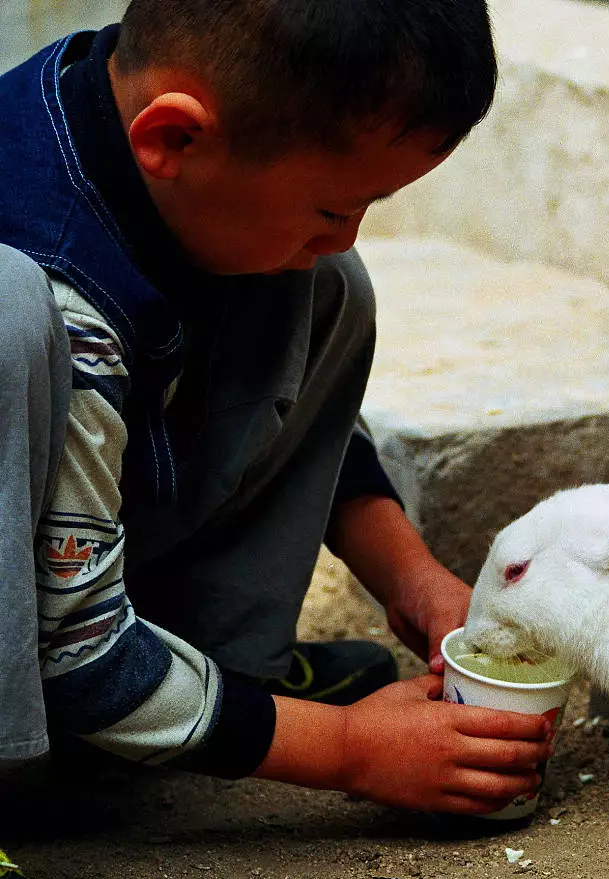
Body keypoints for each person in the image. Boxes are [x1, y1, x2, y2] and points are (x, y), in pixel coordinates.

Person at [0, 0, 552, 818]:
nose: (346, 232)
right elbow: (75, 650)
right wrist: (348, 749)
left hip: (74, 592)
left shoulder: (149, 141)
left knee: (321, 282)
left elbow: (287, 409)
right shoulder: (50, 281)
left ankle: (217, 676)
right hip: (58, 644)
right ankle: (37, 758)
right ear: (175, 139)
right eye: (335, 207)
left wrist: (418, 581)